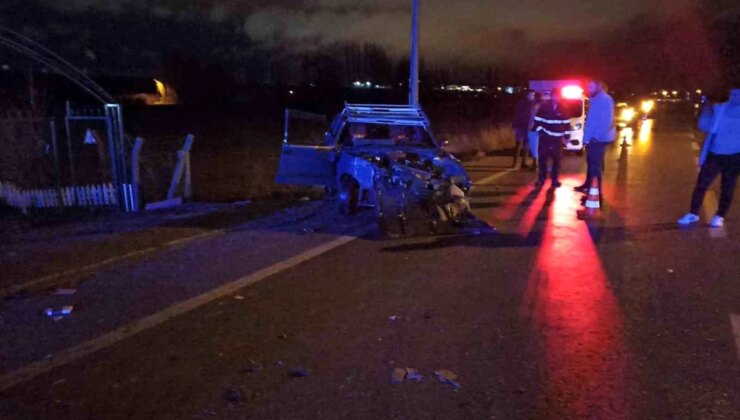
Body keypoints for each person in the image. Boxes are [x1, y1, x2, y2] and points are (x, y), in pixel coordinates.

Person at [678, 87, 740, 228]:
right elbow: (706, 129)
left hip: (735, 157)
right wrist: (706, 109)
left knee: (728, 188)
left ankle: (720, 216)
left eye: (738, 94)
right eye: (733, 94)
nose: (735, 97)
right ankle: (693, 214)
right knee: (701, 185)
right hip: (715, 154)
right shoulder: (720, 109)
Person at [575, 80, 616, 194]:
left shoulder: (604, 100)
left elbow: (603, 122)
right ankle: (588, 185)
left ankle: (595, 192)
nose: (589, 89)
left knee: (595, 166)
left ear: (599, 87)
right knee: (591, 162)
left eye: (591, 87)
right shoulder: (597, 100)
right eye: (588, 87)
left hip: (598, 139)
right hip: (596, 138)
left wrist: (591, 138)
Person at [533, 90, 570, 188]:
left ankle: (555, 180)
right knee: (542, 160)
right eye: (554, 96)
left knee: (557, 161)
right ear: (551, 96)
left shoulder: (564, 108)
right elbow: (537, 121)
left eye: (557, 96)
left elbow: (567, 124)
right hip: (545, 138)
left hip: (557, 139)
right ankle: (541, 179)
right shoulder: (544, 107)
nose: (555, 98)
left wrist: (567, 137)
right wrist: (542, 132)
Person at [512, 91, 536, 169]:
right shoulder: (522, 103)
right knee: (518, 145)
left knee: (526, 145)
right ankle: (515, 162)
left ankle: (523, 162)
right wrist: (514, 126)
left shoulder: (533, 104)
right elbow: (516, 114)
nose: (532, 96)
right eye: (531, 94)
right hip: (520, 126)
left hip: (528, 127)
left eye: (533, 94)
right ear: (527, 95)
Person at [527, 92, 543, 172]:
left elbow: (532, 118)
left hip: (533, 128)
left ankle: (535, 165)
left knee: (534, 147)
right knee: (539, 147)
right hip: (541, 129)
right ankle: (538, 164)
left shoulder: (535, 106)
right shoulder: (544, 106)